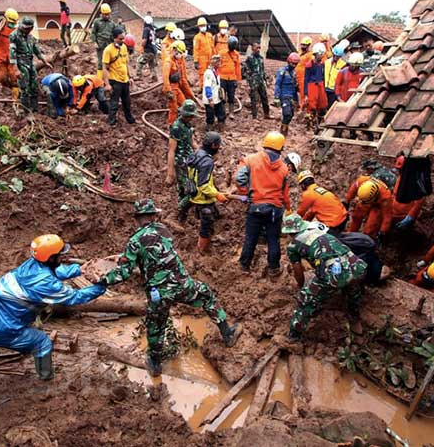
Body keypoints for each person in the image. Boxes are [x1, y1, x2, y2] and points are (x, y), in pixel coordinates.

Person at [99, 199, 241, 376]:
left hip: (158, 293)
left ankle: (155, 364)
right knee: (207, 296)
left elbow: (124, 272)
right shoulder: (163, 230)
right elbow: (158, 248)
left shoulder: (134, 242)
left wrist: (104, 280)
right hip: (181, 285)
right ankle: (227, 335)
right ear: (153, 215)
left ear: (137, 218)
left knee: (155, 324)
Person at [0, 235, 106, 380]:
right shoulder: (45, 283)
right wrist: (101, 286)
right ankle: (46, 377)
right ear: (51, 258)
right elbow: (73, 297)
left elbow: (54, 272)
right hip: (4, 327)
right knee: (42, 342)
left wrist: (79, 270)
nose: (63, 257)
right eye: (60, 255)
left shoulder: (32, 264)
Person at [281, 215, 366, 340]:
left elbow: (298, 270)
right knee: (353, 289)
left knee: (305, 299)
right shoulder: (319, 231)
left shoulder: (293, 246)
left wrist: (302, 287)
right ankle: (355, 321)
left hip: (334, 274)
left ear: (291, 232)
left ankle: (294, 336)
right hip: (357, 267)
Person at [235, 131, 291, 276]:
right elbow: (285, 193)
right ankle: (274, 269)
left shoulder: (251, 159)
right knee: (273, 239)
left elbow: (239, 178)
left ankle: (244, 266)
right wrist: (288, 208)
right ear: (280, 148)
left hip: (256, 207)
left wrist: (245, 193)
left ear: (265, 143)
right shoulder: (284, 168)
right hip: (275, 210)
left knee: (250, 238)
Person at [187, 131, 228, 253]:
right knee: (207, 223)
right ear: (214, 145)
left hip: (194, 194)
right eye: (218, 145)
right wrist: (217, 194)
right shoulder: (207, 162)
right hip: (202, 198)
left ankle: (212, 232)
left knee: (213, 214)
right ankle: (202, 249)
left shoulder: (196, 154)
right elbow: (203, 185)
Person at [166, 100, 199, 221]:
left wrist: (200, 152)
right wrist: (170, 173)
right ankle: (177, 213)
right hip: (181, 164)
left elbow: (191, 141)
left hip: (190, 162)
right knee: (192, 191)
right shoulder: (176, 127)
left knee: (184, 191)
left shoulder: (187, 125)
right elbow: (171, 150)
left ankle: (181, 218)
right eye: (190, 116)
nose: (191, 118)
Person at [10, 17, 48, 113]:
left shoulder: (30, 37)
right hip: (21, 64)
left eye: (29, 28)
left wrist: (45, 62)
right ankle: (27, 111)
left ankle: (35, 109)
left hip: (30, 63)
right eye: (26, 28)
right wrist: (16, 69)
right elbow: (12, 54)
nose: (27, 30)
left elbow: (36, 50)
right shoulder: (14, 36)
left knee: (34, 86)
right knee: (24, 88)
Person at [103, 27, 136, 126]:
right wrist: (107, 84)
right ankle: (111, 122)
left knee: (127, 102)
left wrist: (130, 77)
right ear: (114, 38)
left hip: (124, 80)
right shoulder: (108, 50)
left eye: (123, 38)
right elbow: (105, 68)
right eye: (120, 39)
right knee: (114, 103)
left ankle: (130, 120)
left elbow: (125, 64)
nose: (123, 40)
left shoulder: (124, 47)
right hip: (115, 80)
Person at [346, 178, 393, 242]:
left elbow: (387, 216)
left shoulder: (386, 198)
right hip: (365, 199)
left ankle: (366, 240)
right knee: (356, 216)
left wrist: (383, 231)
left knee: (371, 227)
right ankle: (350, 235)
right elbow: (351, 191)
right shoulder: (361, 181)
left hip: (378, 206)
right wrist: (347, 202)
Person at [162, 40, 198, 126]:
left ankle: (183, 123)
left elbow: (183, 78)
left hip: (177, 87)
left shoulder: (179, 61)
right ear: (174, 50)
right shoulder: (168, 61)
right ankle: (172, 126)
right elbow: (165, 78)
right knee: (173, 108)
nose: (180, 55)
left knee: (184, 104)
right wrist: (168, 91)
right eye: (179, 52)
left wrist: (190, 94)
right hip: (171, 88)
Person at [392, 155, 425, 230]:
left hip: (404, 214)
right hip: (394, 212)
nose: (399, 171)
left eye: (400, 169)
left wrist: (410, 216)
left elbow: (420, 201)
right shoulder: (401, 177)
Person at [274, 52, 301, 135]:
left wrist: (296, 100)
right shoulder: (282, 71)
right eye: (293, 63)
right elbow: (277, 84)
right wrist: (277, 97)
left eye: (296, 64)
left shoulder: (293, 73)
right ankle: (283, 130)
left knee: (291, 114)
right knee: (287, 113)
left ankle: (285, 126)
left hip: (291, 96)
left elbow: (295, 87)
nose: (294, 65)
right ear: (288, 62)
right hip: (284, 96)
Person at [303, 42, 328, 129]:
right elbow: (306, 79)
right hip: (312, 86)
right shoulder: (309, 65)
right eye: (319, 54)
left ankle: (320, 123)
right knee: (311, 106)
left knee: (322, 105)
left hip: (320, 85)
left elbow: (323, 76)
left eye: (322, 54)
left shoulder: (322, 64)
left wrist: (324, 87)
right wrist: (306, 93)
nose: (321, 56)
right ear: (316, 54)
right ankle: (310, 124)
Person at [243, 42, 270, 119]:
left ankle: (267, 114)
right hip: (253, 82)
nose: (258, 49)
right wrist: (249, 82)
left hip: (261, 81)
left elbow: (262, 70)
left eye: (259, 48)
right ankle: (255, 116)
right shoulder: (249, 59)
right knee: (254, 98)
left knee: (264, 97)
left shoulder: (261, 58)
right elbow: (246, 71)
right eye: (256, 47)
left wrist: (265, 80)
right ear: (252, 48)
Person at [219, 36, 241, 118]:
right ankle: (222, 112)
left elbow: (238, 68)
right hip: (222, 78)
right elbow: (217, 65)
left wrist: (238, 80)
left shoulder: (236, 54)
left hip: (232, 79)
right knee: (222, 96)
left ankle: (231, 112)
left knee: (231, 96)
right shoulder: (221, 53)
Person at [92, 3, 115, 79]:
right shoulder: (97, 21)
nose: (107, 16)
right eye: (105, 14)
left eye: (108, 14)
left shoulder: (112, 23)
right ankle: (100, 79)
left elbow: (114, 34)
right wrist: (95, 42)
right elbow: (93, 33)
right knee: (101, 62)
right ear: (101, 13)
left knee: (110, 61)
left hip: (109, 44)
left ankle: (110, 78)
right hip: (100, 45)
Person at [202, 55, 226, 128]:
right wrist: (210, 98)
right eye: (218, 62)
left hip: (217, 98)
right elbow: (207, 86)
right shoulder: (209, 73)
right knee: (210, 115)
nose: (220, 64)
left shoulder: (215, 71)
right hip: (211, 99)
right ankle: (209, 128)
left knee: (221, 113)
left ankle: (221, 126)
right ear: (214, 63)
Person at [324, 43, 347, 109]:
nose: (336, 58)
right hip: (325, 89)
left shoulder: (343, 65)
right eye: (335, 56)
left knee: (331, 108)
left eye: (338, 56)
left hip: (333, 91)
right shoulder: (326, 62)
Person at [136, 15, 159, 81]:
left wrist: (142, 46)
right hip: (153, 51)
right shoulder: (152, 30)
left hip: (148, 50)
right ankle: (154, 77)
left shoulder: (146, 29)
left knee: (139, 61)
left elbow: (145, 40)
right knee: (151, 64)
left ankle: (138, 75)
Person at [295, 37, 312, 108]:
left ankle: (302, 108)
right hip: (296, 77)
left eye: (304, 45)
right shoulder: (299, 54)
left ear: (308, 45)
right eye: (302, 45)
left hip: (303, 77)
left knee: (302, 93)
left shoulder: (310, 55)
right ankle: (296, 106)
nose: (302, 46)